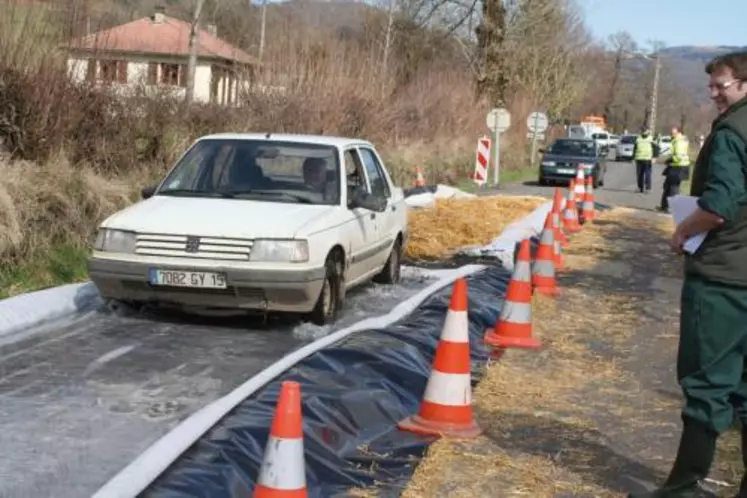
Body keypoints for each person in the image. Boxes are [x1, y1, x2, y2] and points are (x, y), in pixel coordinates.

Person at [628, 50, 747, 498]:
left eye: (723, 86)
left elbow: (719, 206)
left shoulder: (733, 133)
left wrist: (682, 232)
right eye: (712, 86)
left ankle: (682, 489)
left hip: (724, 281)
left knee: (707, 386)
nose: (714, 93)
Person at [657, 126, 692, 213]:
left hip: (679, 166)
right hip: (675, 166)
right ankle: (664, 206)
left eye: (674, 133)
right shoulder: (677, 140)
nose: (672, 134)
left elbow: (678, 156)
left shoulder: (679, 142)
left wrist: (668, 160)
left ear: (679, 133)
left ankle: (671, 208)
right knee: (667, 186)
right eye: (671, 133)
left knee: (673, 188)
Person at [634, 128, 655, 193]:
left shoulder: (651, 138)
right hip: (639, 159)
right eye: (642, 130)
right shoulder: (638, 138)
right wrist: (633, 157)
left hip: (648, 159)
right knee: (639, 174)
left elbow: (656, 148)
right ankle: (640, 188)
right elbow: (635, 148)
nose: (644, 132)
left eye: (645, 130)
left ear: (648, 131)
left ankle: (648, 188)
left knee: (648, 174)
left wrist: (654, 157)